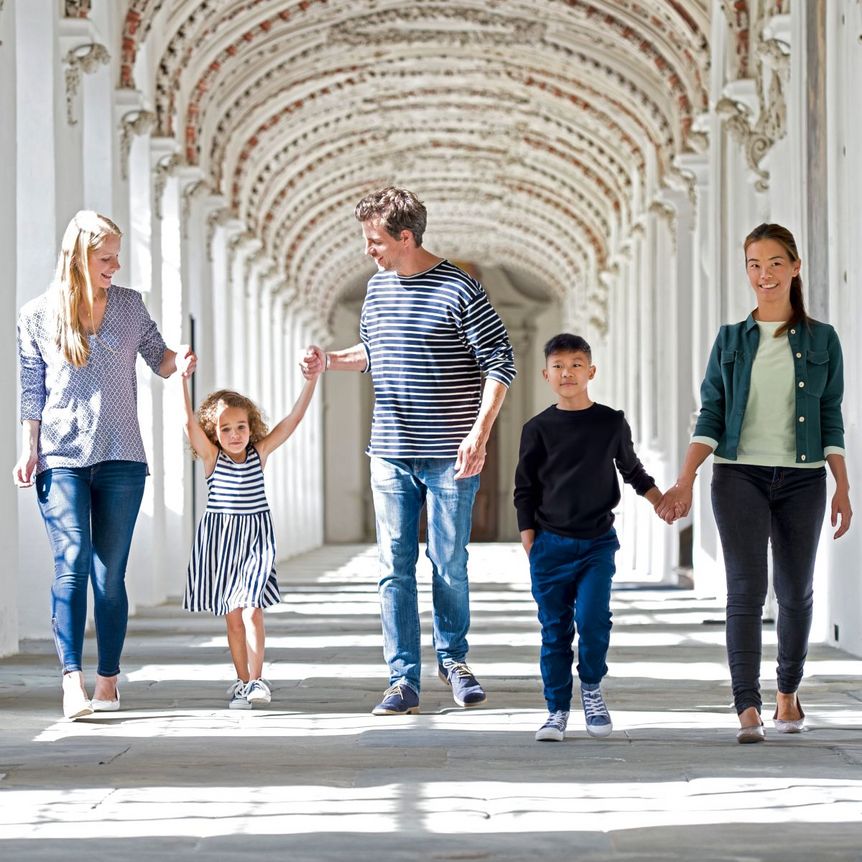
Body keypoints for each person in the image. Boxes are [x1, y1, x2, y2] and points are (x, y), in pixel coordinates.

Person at [301, 186, 516, 715]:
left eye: (375, 240)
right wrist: (328, 360)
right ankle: (402, 679)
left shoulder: (460, 289)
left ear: (405, 236)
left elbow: (500, 363)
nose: (368, 250)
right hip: (390, 450)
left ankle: (455, 659)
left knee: (449, 563)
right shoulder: (377, 290)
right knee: (393, 566)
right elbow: (373, 352)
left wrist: (480, 432)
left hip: (450, 452)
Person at [657, 223, 852, 743]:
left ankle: (788, 692)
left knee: (795, 591)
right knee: (745, 590)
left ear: (794, 267)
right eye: (753, 265)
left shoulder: (821, 339)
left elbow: (831, 416)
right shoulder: (730, 340)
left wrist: (843, 486)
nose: (763, 275)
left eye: (773, 263)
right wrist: (683, 479)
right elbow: (711, 414)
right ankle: (747, 705)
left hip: (803, 479)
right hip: (737, 474)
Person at [14, 210, 196, 720]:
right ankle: (71, 680)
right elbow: (32, 390)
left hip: (121, 456)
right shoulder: (36, 315)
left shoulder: (130, 306)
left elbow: (159, 359)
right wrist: (28, 448)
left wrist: (179, 360)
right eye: (106, 258)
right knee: (70, 565)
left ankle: (108, 679)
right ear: (79, 257)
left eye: (117, 257)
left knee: (108, 574)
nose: (115, 266)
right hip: (60, 454)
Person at [514, 333, 665, 742]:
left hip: (598, 542)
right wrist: (529, 537)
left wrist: (660, 501)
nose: (568, 373)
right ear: (546, 374)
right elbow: (524, 487)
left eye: (577, 364)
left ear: (591, 371)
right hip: (550, 545)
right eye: (559, 366)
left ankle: (593, 689)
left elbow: (632, 471)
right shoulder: (537, 428)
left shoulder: (610, 421)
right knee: (555, 629)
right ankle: (557, 710)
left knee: (593, 620)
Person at [181, 374, 319, 709]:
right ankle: (243, 682)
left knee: (253, 611)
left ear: (251, 426)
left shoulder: (260, 453)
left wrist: (311, 380)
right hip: (221, 542)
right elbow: (188, 423)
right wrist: (183, 381)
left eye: (240, 426)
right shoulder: (213, 460)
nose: (234, 435)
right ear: (214, 432)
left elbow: (294, 419)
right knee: (233, 617)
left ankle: (257, 681)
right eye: (225, 428)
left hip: (255, 540)